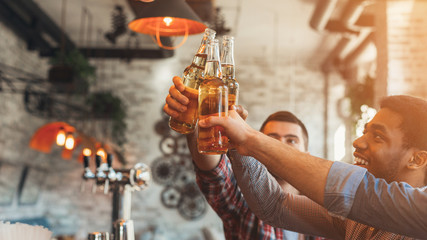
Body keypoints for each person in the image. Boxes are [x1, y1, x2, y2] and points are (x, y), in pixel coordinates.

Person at [198, 94, 427, 239]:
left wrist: (249, 138)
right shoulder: (354, 218)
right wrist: (238, 143)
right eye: (364, 131)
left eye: (378, 137)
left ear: (417, 159)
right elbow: (275, 206)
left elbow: (353, 190)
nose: (358, 142)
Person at [164, 76, 317, 240]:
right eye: (272, 138)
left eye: (291, 140)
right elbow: (214, 173)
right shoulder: (243, 199)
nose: (281, 146)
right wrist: (193, 118)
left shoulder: (323, 209)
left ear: (306, 154)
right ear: (258, 147)